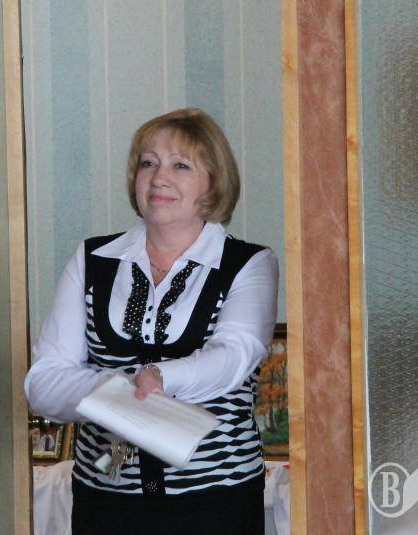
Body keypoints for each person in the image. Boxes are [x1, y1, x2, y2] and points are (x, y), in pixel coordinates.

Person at [24, 108, 279, 533]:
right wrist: (123, 389)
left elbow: (235, 357)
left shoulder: (248, 263)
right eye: (148, 163)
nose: (159, 178)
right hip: (105, 501)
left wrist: (159, 377)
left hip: (216, 503)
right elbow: (44, 382)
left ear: (213, 181)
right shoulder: (92, 259)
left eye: (180, 165)